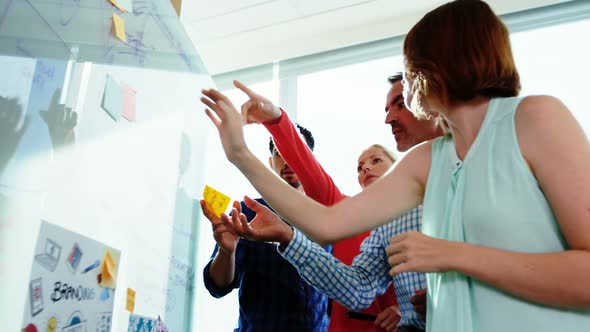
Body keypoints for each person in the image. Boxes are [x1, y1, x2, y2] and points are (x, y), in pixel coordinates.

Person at [201, 0, 590, 331]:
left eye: (409, 72)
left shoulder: (535, 118)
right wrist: (240, 155)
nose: (403, 90)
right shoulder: (426, 161)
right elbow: (328, 222)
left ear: (438, 65)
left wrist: (454, 256)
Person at [218, 75, 441, 331]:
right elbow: (358, 287)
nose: (366, 167)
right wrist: (288, 236)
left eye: (376, 161)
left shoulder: (466, 164)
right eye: (359, 166)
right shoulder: (372, 218)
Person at [201, 123, 331, 332]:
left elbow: (338, 294)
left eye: (297, 150)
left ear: (312, 161)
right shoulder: (247, 212)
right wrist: (227, 251)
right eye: (280, 153)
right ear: (271, 163)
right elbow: (217, 286)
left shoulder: (329, 217)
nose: (288, 158)